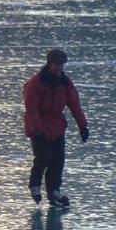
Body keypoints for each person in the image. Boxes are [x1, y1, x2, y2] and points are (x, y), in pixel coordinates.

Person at [23, 48, 89, 207]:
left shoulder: (65, 83)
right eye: (56, 64)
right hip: (38, 125)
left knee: (58, 160)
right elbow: (31, 109)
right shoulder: (35, 83)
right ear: (49, 64)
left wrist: (82, 126)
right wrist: (37, 131)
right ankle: (35, 185)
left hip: (57, 125)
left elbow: (74, 104)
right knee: (44, 157)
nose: (59, 67)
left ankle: (54, 191)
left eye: (61, 64)